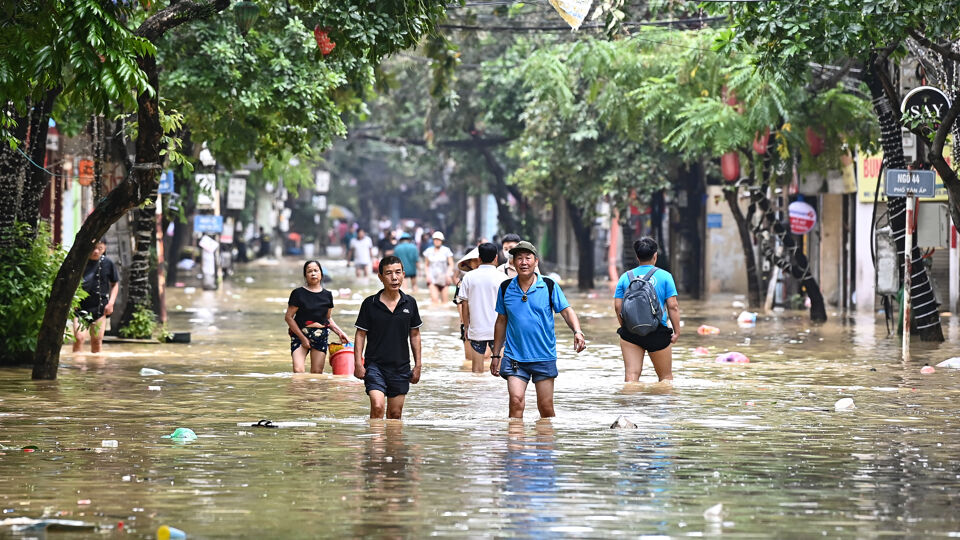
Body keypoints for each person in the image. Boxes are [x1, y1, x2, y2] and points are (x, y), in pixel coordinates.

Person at [491, 241, 586, 419]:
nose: (523, 262)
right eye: (519, 258)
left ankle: (544, 444)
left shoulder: (549, 285)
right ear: (513, 262)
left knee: (545, 407)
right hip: (514, 356)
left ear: (536, 261)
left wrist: (577, 331)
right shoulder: (505, 288)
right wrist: (496, 355)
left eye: (528, 258)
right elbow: (501, 321)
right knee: (516, 401)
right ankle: (515, 445)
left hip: (543, 355)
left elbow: (566, 311)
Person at [354, 255, 423, 420]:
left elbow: (415, 335)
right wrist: (358, 363)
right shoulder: (370, 304)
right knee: (377, 407)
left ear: (403, 274)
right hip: (375, 366)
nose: (394, 277)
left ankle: (391, 445)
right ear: (380, 277)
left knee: (395, 415)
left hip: (400, 368)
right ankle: (375, 445)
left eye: (398, 272)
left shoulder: (410, 303)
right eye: (389, 273)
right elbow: (360, 334)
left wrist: (418, 366)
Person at [613, 237, 680, 382]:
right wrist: (677, 331)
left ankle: (631, 403)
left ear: (637, 257)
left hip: (631, 332)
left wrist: (625, 326)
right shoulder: (665, 276)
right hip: (658, 332)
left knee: (631, 377)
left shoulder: (625, 277)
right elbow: (673, 306)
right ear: (655, 255)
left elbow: (618, 306)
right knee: (665, 379)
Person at [284, 260, 350, 374]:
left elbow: (328, 319)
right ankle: (298, 392)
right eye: (309, 271)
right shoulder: (298, 293)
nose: (313, 273)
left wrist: (340, 332)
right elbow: (289, 317)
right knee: (298, 371)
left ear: (321, 274)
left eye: (316, 270)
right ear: (305, 275)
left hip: (320, 336)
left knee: (316, 373)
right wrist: (303, 338)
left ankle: (312, 393)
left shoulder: (327, 295)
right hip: (300, 335)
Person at [457, 243, 504, 373]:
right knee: (498, 370)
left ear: (479, 259)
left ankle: (477, 392)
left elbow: (464, 305)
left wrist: (466, 327)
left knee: (477, 371)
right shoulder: (503, 278)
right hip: (499, 331)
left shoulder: (468, 277)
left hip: (477, 329)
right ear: (496, 258)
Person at [72, 239, 120, 353]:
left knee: (97, 341)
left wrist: (111, 303)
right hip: (80, 307)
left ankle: (96, 369)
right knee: (79, 338)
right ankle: (76, 367)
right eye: (94, 248)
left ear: (104, 249)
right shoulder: (80, 262)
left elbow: (115, 284)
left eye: (100, 248)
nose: (96, 251)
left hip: (99, 307)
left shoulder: (108, 263)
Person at [454, 247, 480, 369]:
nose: (476, 263)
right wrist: (464, 324)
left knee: (485, 360)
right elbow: (460, 303)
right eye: (473, 261)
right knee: (469, 360)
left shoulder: (494, 278)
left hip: (486, 323)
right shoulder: (464, 281)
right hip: (468, 322)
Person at [422, 231, 454, 305]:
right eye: (435, 239)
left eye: (439, 239)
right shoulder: (428, 251)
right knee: (434, 302)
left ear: (442, 241)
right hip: (432, 278)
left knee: (445, 303)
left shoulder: (446, 250)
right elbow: (426, 265)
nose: (437, 241)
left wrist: (448, 275)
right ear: (433, 240)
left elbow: (451, 264)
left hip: (444, 278)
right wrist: (427, 276)